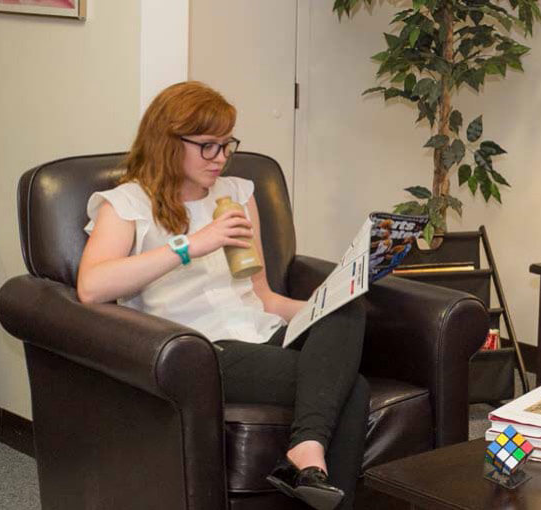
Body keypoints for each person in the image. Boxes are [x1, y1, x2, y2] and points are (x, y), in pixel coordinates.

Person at [76, 81, 367, 510]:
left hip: (261, 330)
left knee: (347, 309)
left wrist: (321, 312)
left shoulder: (238, 194)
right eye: (207, 147)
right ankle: (307, 451)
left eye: (226, 145)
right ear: (167, 142)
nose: (220, 158)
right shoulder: (127, 203)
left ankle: (307, 451)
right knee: (353, 388)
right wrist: (191, 244)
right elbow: (91, 287)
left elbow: (264, 295)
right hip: (202, 348)